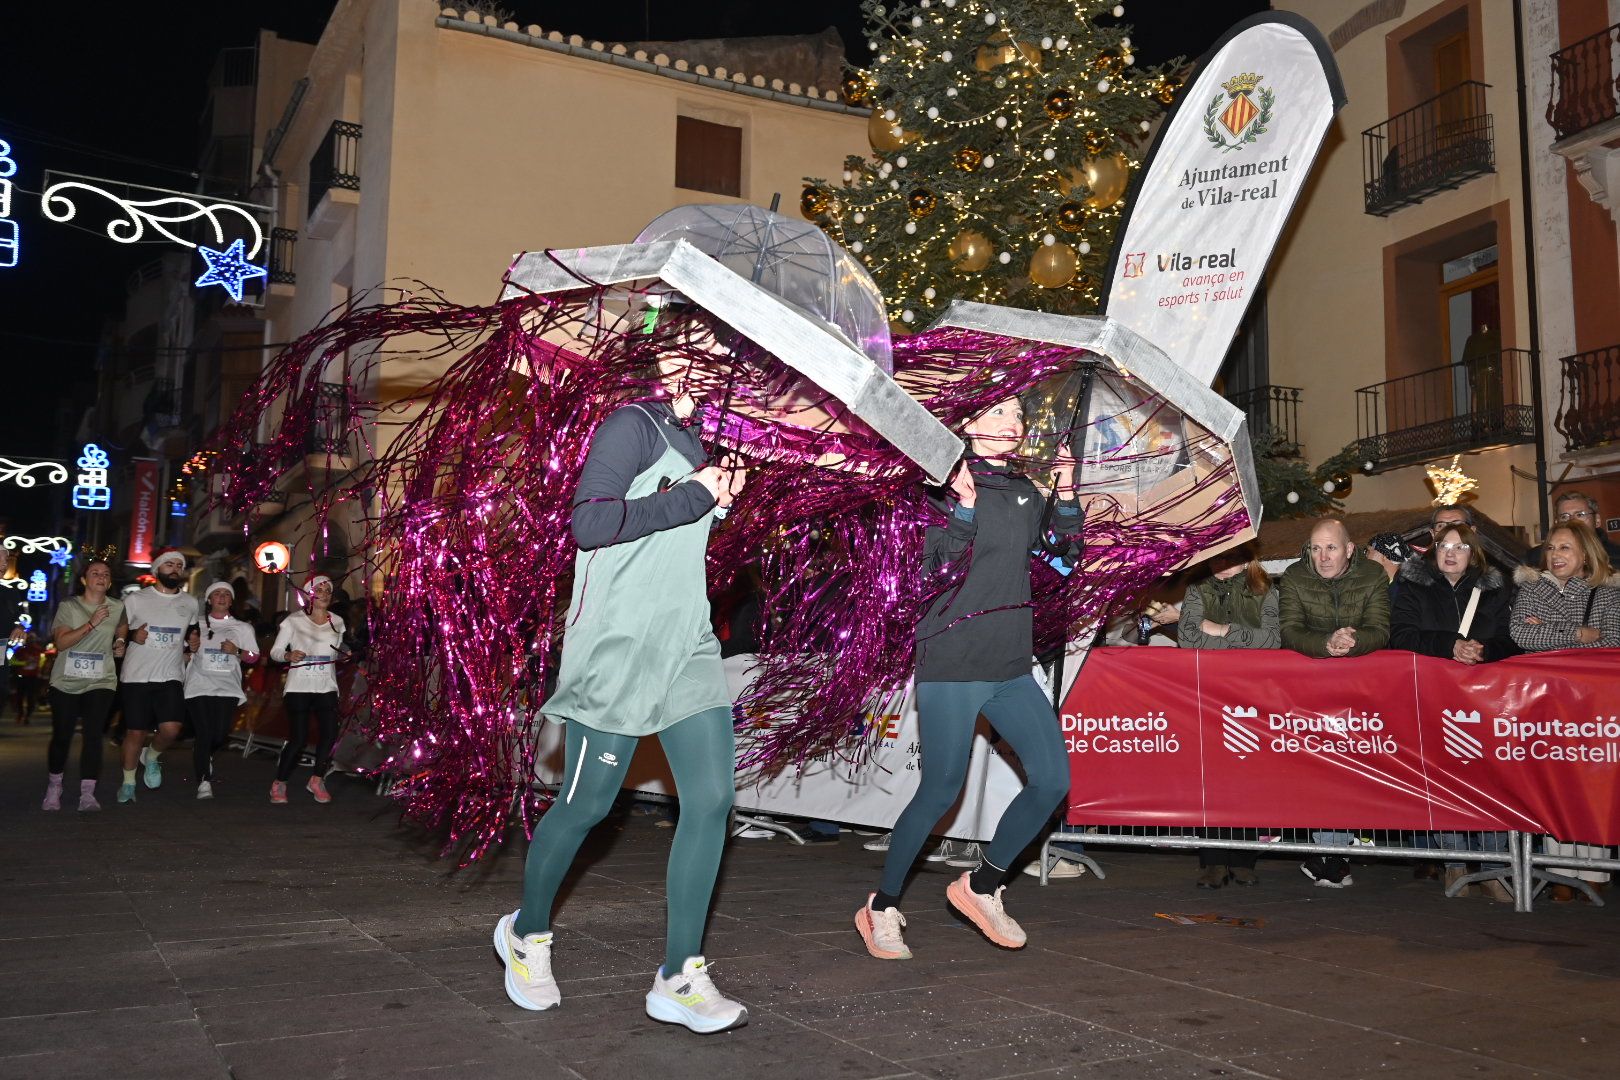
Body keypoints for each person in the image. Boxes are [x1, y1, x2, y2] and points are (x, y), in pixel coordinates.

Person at [491, 355, 752, 1036]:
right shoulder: (631, 424)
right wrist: (695, 495)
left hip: (688, 643)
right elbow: (591, 525)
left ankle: (678, 976)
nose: (714, 363)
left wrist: (717, 509)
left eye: (723, 351)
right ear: (666, 359)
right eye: (697, 348)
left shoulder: (700, 446)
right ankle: (528, 933)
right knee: (586, 807)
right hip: (620, 645)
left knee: (714, 800)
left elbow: (668, 548)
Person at [855, 395, 1082, 962]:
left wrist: (1068, 499)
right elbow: (929, 574)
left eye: (1019, 415)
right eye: (999, 413)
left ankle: (980, 886)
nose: (1013, 423)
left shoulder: (1027, 492)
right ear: (970, 423)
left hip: (1009, 664)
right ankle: (880, 907)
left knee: (1053, 782)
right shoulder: (935, 489)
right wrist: (962, 509)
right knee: (940, 791)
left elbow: (1060, 565)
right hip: (952, 662)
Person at [1390, 521, 1518, 902]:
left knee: (1488, 780)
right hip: (1432, 697)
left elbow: (1512, 638)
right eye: (1444, 545)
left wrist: (1483, 650)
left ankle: (1495, 869)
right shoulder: (1414, 585)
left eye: (1460, 547)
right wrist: (1450, 646)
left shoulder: (1495, 588)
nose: (1450, 552)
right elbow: (1401, 635)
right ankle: (1455, 864)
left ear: (1473, 552)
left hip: (1483, 701)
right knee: (1443, 780)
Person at [1510, 519, 1620, 902]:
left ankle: (1595, 871)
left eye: (1565, 548)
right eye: (1552, 548)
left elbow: (1612, 641)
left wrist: (1550, 628)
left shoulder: (1606, 592)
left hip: (1593, 709)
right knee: (1555, 784)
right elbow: (1521, 635)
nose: (1555, 555)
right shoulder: (1531, 586)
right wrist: (1577, 632)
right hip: (1547, 707)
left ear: (1585, 554)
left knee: (1592, 785)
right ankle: (1559, 873)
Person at [1278, 518, 1390, 888]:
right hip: (1308, 690)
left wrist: (1351, 641)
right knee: (1315, 770)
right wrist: (1326, 644)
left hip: (1360, 691)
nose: (1322, 556)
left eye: (1331, 547)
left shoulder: (1373, 575)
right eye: (1315, 547)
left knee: (1350, 771)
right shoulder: (1294, 577)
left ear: (1349, 549)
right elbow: (1290, 630)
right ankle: (1325, 849)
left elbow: (1381, 628)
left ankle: (1337, 851)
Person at [1177, 542, 1278, 888]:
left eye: (1232, 556)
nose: (1223, 563)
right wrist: (1242, 642)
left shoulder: (1264, 590)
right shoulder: (1197, 588)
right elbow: (1188, 638)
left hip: (1252, 695)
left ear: (1247, 558)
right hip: (1208, 693)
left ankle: (1244, 858)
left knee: (1248, 775)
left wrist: (1221, 631)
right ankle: (1213, 860)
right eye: (1218, 555)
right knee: (1211, 775)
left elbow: (1272, 640)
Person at [42, 559, 125, 812]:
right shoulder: (69, 605)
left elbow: (122, 625)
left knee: (93, 735)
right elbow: (62, 643)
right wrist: (92, 623)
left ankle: (87, 794)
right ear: (84, 579)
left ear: (109, 582)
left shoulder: (117, 606)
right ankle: (54, 786)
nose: (101, 577)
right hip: (66, 680)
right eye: (95, 573)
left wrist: (120, 640)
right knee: (62, 736)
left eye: (106, 574)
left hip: (101, 680)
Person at [117, 548, 199, 803]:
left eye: (179, 565)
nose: (175, 568)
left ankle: (151, 756)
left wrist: (193, 643)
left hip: (170, 674)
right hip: (136, 676)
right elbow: (120, 627)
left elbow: (192, 631)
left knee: (172, 729)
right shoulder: (136, 599)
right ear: (157, 570)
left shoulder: (190, 602)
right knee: (135, 733)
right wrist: (131, 636)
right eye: (169, 564)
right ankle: (128, 783)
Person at [268, 575, 348, 804]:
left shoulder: (338, 621)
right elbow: (275, 651)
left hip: (326, 685)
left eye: (328, 590)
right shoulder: (293, 621)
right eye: (319, 589)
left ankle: (317, 779)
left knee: (330, 734)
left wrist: (344, 652)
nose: (324, 593)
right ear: (308, 595)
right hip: (299, 686)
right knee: (299, 738)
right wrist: (288, 655)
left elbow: (338, 646)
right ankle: (279, 783)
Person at [182, 582, 261, 800]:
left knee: (218, 735)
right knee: (204, 732)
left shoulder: (242, 628)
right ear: (209, 600)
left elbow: (254, 657)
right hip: (198, 685)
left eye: (226, 594)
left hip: (227, 687)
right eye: (217, 594)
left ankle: (204, 752)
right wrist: (190, 650)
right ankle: (203, 782)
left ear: (232, 601)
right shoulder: (195, 625)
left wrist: (237, 650)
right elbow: (181, 653)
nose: (222, 597)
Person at [1524, 491, 1620, 567]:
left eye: (1580, 515)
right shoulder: (1536, 558)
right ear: (1556, 523)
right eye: (1564, 516)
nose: (1572, 521)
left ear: (1597, 521)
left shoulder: (1616, 556)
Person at [10, 632, 47, 724]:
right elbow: (12, 661)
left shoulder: (39, 650)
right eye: (29, 639)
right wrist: (23, 664)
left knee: (31, 698)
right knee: (20, 697)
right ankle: (21, 714)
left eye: (32, 639)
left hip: (33, 677)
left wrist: (41, 670)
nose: (31, 641)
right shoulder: (20, 650)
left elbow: (43, 661)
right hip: (22, 677)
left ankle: (27, 716)